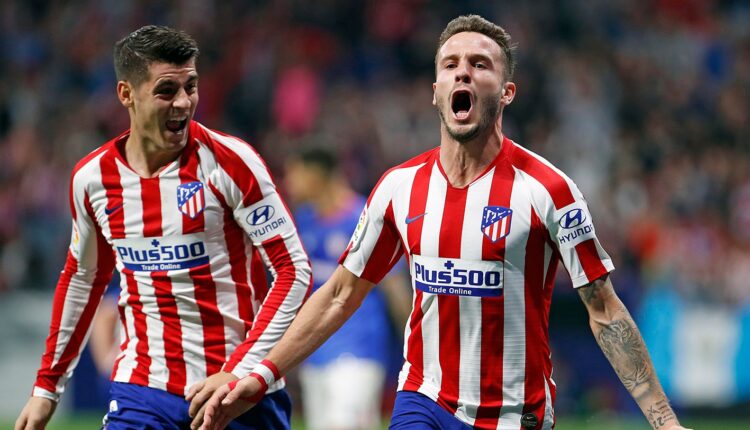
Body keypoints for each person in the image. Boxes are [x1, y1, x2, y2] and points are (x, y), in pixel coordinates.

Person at [201, 14, 692, 430]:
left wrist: (665, 422)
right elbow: (338, 294)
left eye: (480, 65)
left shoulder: (549, 191)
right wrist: (260, 375)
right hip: (425, 401)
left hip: (516, 412)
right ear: (435, 91)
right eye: (451, 65)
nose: (464, 74)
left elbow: (604, 309)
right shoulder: (398, 187)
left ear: (507, 91)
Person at [14, 25, 312, 430]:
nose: (184, 102)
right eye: (167, 90)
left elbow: (294, 270)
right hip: (143, 388)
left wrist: (243, 370)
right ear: (126, 95)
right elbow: (83, 279)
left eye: (191, 86)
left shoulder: (231, 162)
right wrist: (46, 388)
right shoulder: (93, 179)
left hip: (236, 393)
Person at [285, 147, 412, 430]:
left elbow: (394, 288)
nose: (289, 181)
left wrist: (414, 346)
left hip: (358, 352)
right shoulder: (302, 221)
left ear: (316, 174)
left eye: (295, 172)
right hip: (313, 353)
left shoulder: (364, 218)